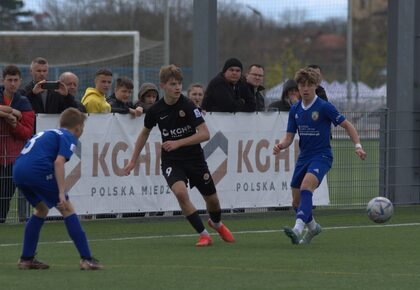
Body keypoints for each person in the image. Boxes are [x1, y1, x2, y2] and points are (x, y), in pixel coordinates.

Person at [124, 65, 235, 247]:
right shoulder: (155, 110)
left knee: (212, 201)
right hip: (172, 161)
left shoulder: (188, 105)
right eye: (173, 84)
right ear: (163, 86)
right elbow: (144, 133)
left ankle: (216, 223)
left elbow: (205, 134)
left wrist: (178, 142)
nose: (177, 87)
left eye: (179, 83)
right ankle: (204, 235)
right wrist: (132, 160)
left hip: (195, 159)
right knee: (181, 193)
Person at [273, 67, 366, 245]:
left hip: (322, 156)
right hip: (304, 157)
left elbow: (348, 126)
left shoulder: (324, 106)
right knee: (296, 202)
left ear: (316, 86)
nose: (305, 88)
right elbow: (289, 137)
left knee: (307, 186)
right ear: (298, 87)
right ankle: (313, 227)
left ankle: (297, 229)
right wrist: (280, 145)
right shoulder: (295, 109)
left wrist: (358, 146)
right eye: (302, 85)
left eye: (309, 84)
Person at [13, 108, 103, 270]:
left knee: (41, 209)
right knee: (67, 208)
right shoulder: (69, 136)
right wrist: (61, 192)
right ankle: (86, 259)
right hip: (37, 170)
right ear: (78, 127)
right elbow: (59, 162)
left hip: (18, 170)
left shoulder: (49, 132)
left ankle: (26, 259)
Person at [0, 65, 35, 223]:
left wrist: (14, 124)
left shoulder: (24, 101)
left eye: (15, 80)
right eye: (9, 80)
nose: (12, 83)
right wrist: (12, 112)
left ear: (20, 81)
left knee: (5, 198)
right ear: (3, 81)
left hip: (13, 158)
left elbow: (27, 132)